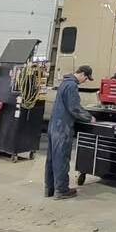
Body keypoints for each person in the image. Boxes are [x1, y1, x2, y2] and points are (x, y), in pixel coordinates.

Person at [44, 65, 93, 199]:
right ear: (82, 74)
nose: (85, 81)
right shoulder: (72, 86)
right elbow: (74, 108)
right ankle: (61, 190)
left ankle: (49, 188)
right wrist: (89, 117)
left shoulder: (64, 83)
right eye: (86, 78)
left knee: (52, 158)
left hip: (54, 125)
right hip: (63, 128)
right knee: (62, 158)